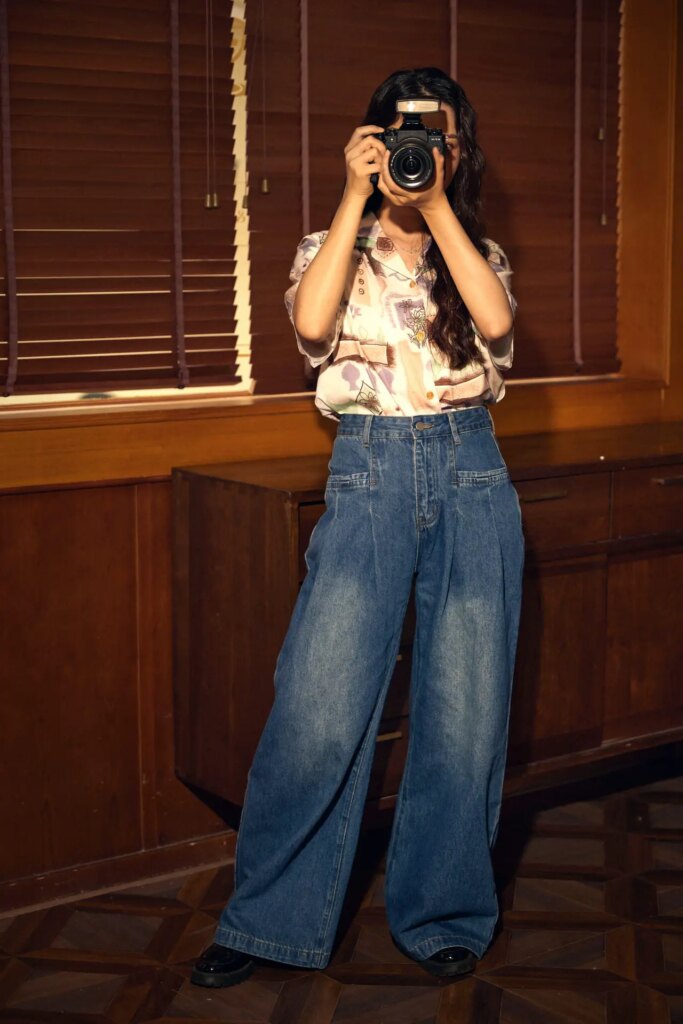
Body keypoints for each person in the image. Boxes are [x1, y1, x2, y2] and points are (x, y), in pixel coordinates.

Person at [191, 66, 525, 989]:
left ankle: (445, 912)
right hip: (371, 469)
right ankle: (265, 924)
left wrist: (439, 200)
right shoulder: (328, 244)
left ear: (459, 151)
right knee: (316, 704)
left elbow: (493, 322)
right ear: (372, 141)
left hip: (470, 472)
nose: (423, 150)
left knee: (464, 713)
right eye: (405, 135)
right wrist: (354, 193)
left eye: (441, 137)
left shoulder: (476, 254)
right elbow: (306, 324)